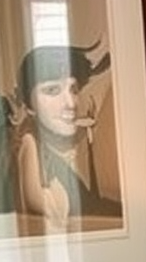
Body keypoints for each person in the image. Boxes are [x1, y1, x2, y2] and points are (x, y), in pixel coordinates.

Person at [13, 41, 122, 230]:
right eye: (52, 90)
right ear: (29, 106)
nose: (71, 103)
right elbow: (37, 210)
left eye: (73, 89)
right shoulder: (29, 141)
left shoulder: (55, 145)